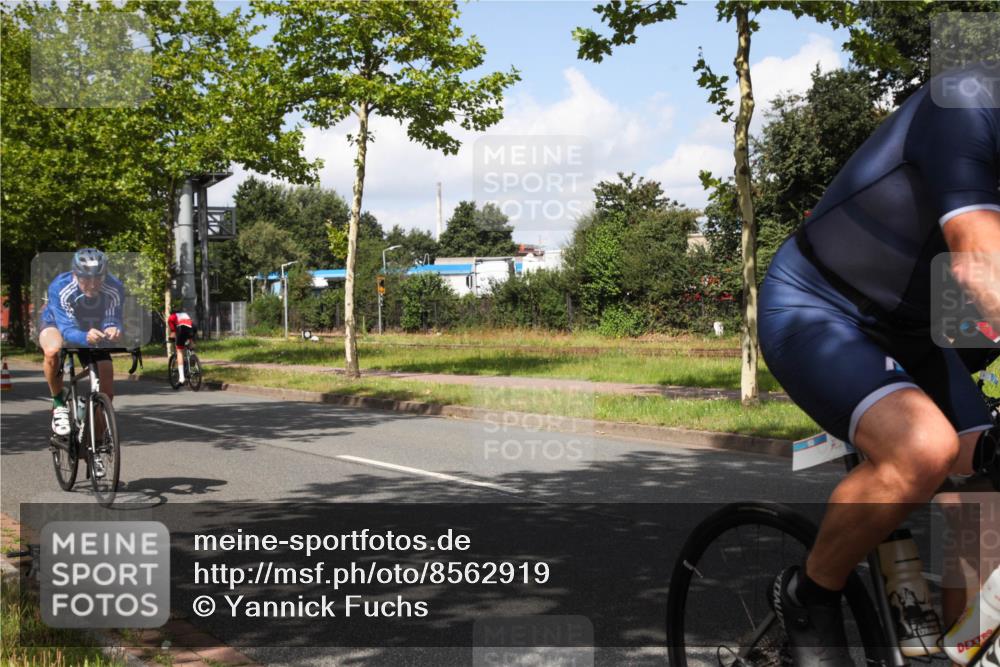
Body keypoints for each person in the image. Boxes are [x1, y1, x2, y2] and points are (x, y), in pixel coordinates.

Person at [759, 64, 1000, 665]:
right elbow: (980, 259)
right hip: (819, 307)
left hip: (922, 330)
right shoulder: (967, 102)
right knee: (923, 451)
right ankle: (810, 594)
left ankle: (962, 654)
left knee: (985, 493)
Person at [40, 248, 125, 438]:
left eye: (98, 278)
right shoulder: (60, 287)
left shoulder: (115, 287)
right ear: (75, 274)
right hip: (57, 322)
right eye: (86, 279)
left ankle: (97, 442)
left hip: (92, 326)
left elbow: (113, 316)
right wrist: (85, 336)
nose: (93, 284)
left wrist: (113, 328)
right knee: (52, 351)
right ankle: (59, 404)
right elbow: (67, 329)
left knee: (107, 388)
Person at [167, 304, 197, 384]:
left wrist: (170, 339)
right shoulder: (184, 314)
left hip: (181, 329)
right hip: (193, 327)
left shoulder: (171, 317)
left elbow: (173, 333)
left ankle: (182, 378)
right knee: (190, 342)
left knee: (179, 351)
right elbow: (189, 324)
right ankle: (192, 357)